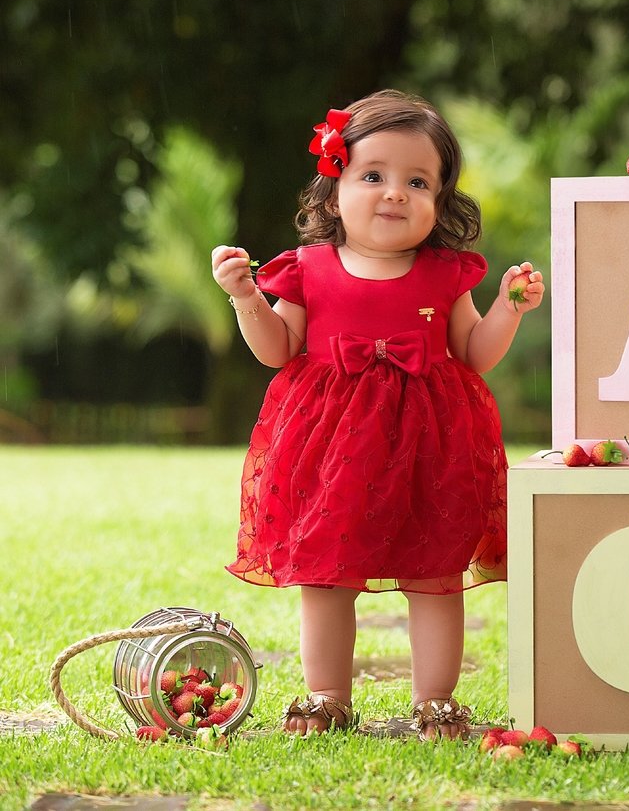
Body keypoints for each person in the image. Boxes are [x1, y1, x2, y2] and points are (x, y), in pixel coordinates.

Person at [211, 89, 544, 740]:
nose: (395, 193)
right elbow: (278, 350)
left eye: (417, 182)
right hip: (331, 446)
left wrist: (509, 307)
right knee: (327, 577)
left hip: (430, 441)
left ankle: (436, 700)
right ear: (334, 193)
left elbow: (473, 354)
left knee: (434, 572)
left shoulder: (445, 273)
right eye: (373, 175)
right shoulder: (306, 269)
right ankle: (327, 694)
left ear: (440, 202)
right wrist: (247, 298)